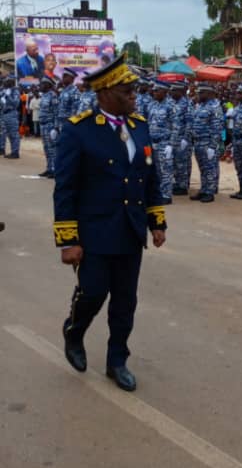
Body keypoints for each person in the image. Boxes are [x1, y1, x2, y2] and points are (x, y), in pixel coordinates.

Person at [54, 52, 166, 392]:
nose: (135, 95)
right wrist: (68, 239)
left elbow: (150, 178)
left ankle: (117, 360)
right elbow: (66, 188)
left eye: (135, 89)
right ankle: (74, 332)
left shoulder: (140, 127)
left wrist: (156, 221)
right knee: (93, 292)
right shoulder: (80, 131)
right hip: (94, 231)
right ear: (104, 93)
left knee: (125, 300)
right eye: (127, 90)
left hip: (130, 230)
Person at [191, 81, 224, 203]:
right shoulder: (201, 106)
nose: (198, 95)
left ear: (209, 93)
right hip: (199, 142)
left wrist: (212, 146)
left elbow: (217, 128)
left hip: (208, 143)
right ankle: (204, 189)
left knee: (210, 168)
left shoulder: (215, 107)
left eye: (201, 92)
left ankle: (210, 192)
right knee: (203, 168)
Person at [148, 79, 177, 204]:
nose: (154, 92)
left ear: (165, 92)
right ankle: (158, 193)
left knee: (166, 170)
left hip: (164, 142)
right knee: (156, 170)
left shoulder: (171, 106)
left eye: (157, 90)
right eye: (153, 90)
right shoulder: (152, 104)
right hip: (152, 142)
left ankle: (166, 195)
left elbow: (176, 127)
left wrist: (171, 144)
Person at [171, 81, 194, 196]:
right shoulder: (173, 103)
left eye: (174, 90)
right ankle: (178, 183)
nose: (172, 92)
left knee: (182, 163)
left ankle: (183, 185)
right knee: (175, 163)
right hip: (173, 139)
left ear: (180, 91)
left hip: (182, 139)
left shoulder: (186, 104)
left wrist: (186, 138)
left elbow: (189, 123)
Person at [39, 77, 59, 178]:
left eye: (43, 84)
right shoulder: (43, 96)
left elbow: (56, 113)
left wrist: (55, 128)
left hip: (50, 125)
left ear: (48, 85)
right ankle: (49, 168)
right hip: (43, 125)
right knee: (46, 148)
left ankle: (54, 170)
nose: (40, 85)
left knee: (52, 149)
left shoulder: (53, 96)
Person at [1, 76, 21, 158]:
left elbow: (16, 104)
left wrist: (8, 96)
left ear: (11, 82)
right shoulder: (5, 91)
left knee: (14, 134)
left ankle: (15, 152)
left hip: (11, 114)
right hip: (5, 114)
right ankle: (13, 151)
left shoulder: (15, 91)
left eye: (6, 81)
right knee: (9, 134)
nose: (4, 83)